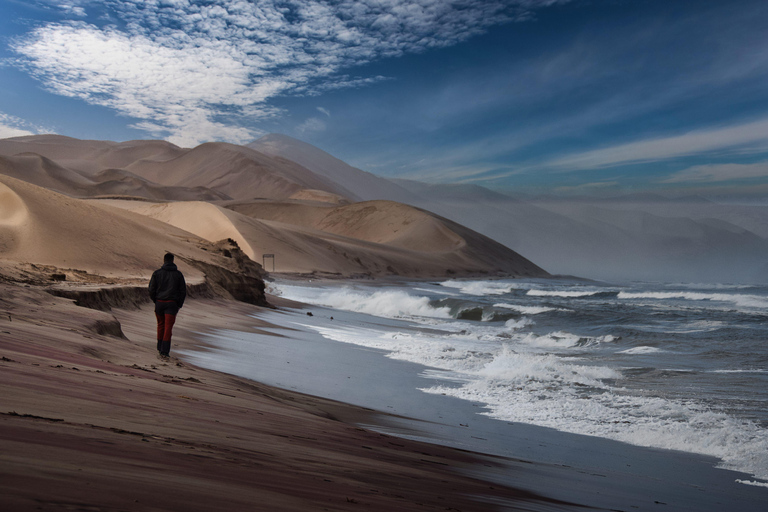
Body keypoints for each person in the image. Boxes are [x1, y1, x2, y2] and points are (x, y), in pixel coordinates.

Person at [148, 253, 186, 358]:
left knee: (160, 325)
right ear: (173, 261)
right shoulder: (178, 275)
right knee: (168, 327)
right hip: (172, 304)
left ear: (164, 260)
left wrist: (155, 300)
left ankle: (160, 347)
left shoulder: (157, 273)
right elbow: (183, 291)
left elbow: (151, 289)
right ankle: (165, 351)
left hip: (159, 303)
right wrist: (179, 305)